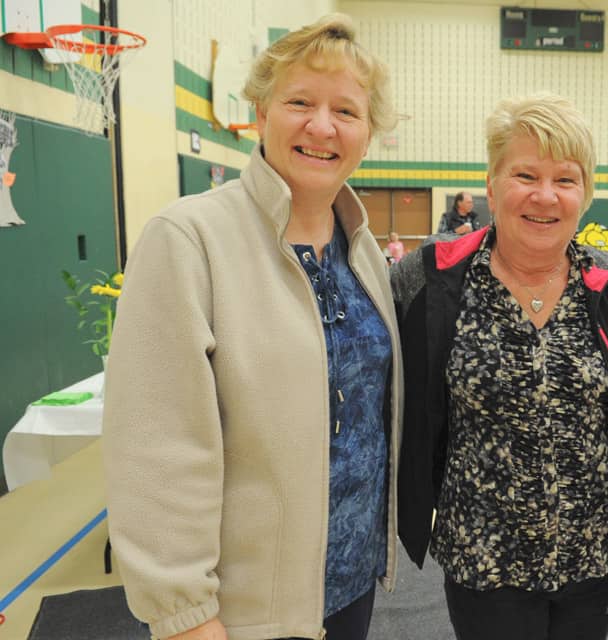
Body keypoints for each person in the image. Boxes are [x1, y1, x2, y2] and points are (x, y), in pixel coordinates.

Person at [102, 14, 403, 640]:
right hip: (243, 613)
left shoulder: (363, 250)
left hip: (348, 583)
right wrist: (186, 615)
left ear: (368, 132)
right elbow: (156, 445)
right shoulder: (188, 240)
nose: (323, 127)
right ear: (261, 112)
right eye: (300, 102)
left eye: (346, 111)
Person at [391, 93, 608, 640]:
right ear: (491, 185)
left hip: (591, 561)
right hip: (480, 561)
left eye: (565, 179)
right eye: (525, 174)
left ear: (585, 194)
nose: (545, 195)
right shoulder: (429, 279)